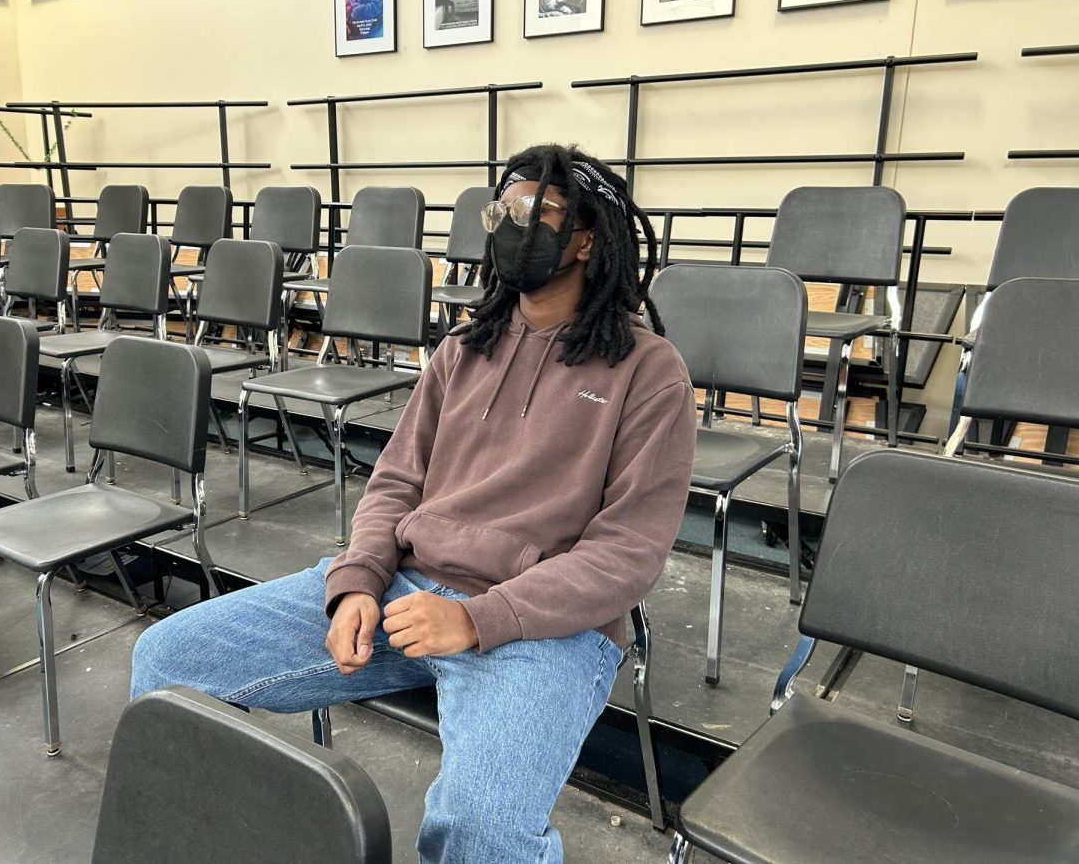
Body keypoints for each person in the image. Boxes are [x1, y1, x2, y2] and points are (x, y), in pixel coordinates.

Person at [130, 144, 696, 863]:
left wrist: (477, 618)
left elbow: (628, 553)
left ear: (586, 238)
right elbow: (395, 482)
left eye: (540, 213)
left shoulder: (649, 371)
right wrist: (356, 584)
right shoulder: (465, 346)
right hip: (404, 587)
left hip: (544, 624)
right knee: (166, 660)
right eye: (506, 211)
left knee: (482, 826)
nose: (516, 225)